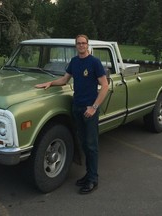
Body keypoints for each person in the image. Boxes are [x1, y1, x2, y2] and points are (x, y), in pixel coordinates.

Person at [35, 34, 109, 194]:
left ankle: (93, 179)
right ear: (76, 46)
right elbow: (64, 79)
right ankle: (88, 175)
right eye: (78, 43)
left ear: (87, 45)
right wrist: (50, 83)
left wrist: (94, 107)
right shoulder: (75, 62)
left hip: (89, 109)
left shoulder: (94, 62)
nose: (81, 46)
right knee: (82, 143)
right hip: (77, 107)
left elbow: (105, 86)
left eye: (83, 43)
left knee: (91, 145)